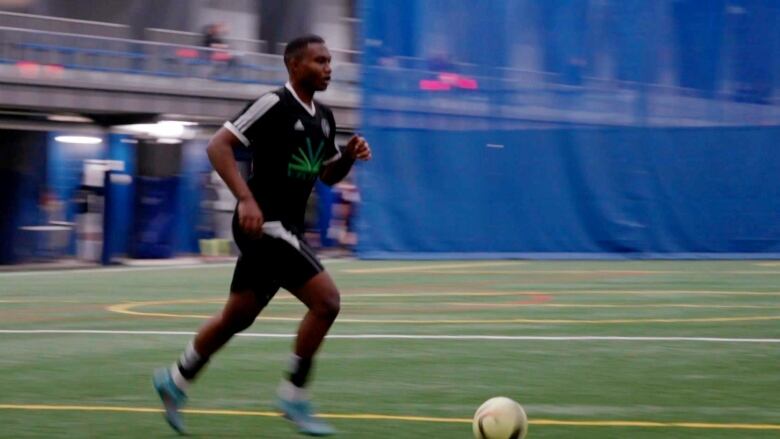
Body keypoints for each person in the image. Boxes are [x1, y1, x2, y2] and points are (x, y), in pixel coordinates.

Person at [153, 34, 372, 436]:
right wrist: (246, 199)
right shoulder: (273, 104)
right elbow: (219, 146)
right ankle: (293, 395)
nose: (328, 68)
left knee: (238, 316)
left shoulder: (324, 118)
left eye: (330, 61)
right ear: (293, 65)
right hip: (264, 224)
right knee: (327, 302)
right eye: (319, 61)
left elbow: (325, 175)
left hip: (284, 228)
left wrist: (347, 156)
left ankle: (176, 378)